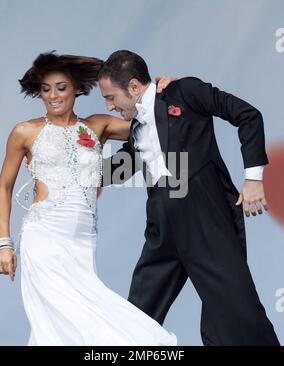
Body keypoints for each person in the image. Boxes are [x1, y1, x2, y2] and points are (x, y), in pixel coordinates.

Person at [0, 51, 177, 346]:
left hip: (82, 243)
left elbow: (154, 122)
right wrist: (4, 244)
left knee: (76, 325)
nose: (53, 96)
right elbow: (3, 187)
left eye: (61, 87)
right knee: (58, 320)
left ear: (77, 89)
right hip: (43, 238)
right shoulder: (25, 132)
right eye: (45, 89)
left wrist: (162, 92)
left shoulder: (98, 126)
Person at [98, 50, 280, 346]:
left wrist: (254, 179)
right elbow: (119, 168)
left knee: (236, 313)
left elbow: (247, 115)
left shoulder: (183, 92)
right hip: (162, 223)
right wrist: (67, 171)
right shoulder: (137, 128)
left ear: (133, 87)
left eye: (110, 97)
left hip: (204, 217)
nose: (109, 106)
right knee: (135, 317)